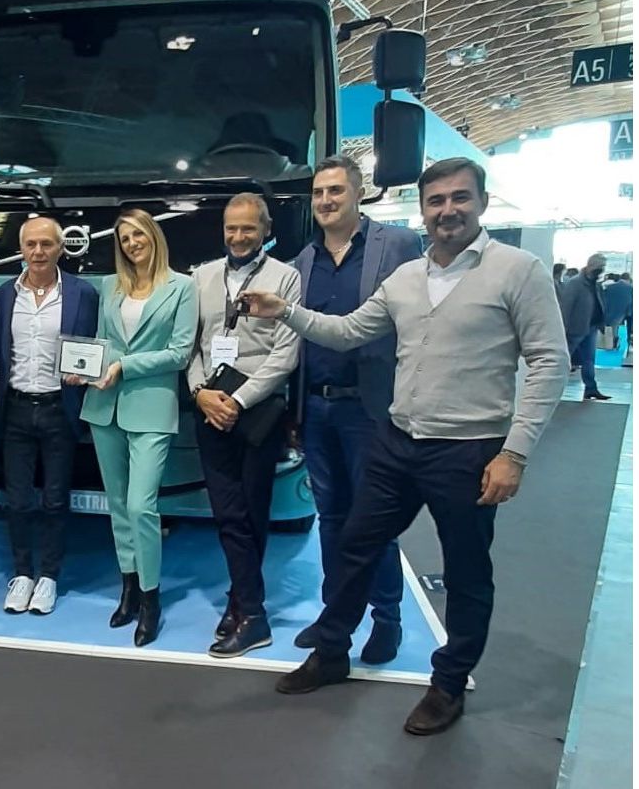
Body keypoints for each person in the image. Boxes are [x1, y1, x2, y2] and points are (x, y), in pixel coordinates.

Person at [239, 158, 568, 736]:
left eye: (459, 198)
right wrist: (285, 310)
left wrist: (514, 453)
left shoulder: (518, 270)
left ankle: (448, 683)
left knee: (466, 570)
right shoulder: (405, 278)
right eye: (436, 200)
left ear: (482, 203)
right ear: (422, 210)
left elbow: (549, 361)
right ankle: (332, 651)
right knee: (354, 545)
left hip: (468, 449)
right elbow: (348, 331)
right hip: (396, 441)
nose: (448, 210)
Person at [291, 156, 423, 664]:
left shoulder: (398, 245)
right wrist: (294, 412)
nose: (325, 201)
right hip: (316, 408)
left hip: (371, 411)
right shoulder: (302, 261)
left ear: (359, 192)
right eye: (318, 193)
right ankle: (335, 617)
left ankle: (387, 619)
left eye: (336, 191)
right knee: (330, 519)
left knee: (375, 520)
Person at [185, 193, 301, 658]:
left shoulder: (286, 277)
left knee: (252, 512)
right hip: (210, 407)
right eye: (231, 228)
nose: (238, 236)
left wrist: (238, 399)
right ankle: (244, 602)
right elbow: (191, 345)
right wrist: (200, 392)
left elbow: (286, 354)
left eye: (248, 228)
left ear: (265, 230)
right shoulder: (201, 276)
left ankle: (250, 612)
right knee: (227, 512)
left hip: (257, 411)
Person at [78, 209, 199, 647]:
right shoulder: (111, 285)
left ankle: (150, 598)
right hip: (104, 406)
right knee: (117, 504)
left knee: (140, 505)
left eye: (138, 234)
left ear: (153, 236)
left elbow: (180, 353)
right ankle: (128, 587)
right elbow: (102, 341)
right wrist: (85, 367)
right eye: (124, 238)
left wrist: (124, 366)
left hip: (151, 407)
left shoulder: (182, 287)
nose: (131, 243)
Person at [0, 216, 100, 616]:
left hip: (60, 409)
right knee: (17, 500)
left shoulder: (83, 294)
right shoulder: (4, 295)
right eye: (31, 244)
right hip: (15, 409)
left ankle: (49, 576)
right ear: (21, 249)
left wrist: (86, 374)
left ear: (60, 248)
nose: (38, 252)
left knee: (56, 499)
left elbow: (94, 344)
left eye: (46, 244)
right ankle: (22, 573)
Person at [559, 253, 612, 401]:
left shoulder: (595, 284)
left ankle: (591, 389)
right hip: (575, 329)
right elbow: (566, 308)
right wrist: (563, 328)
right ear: (591, 266)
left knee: (589, 360)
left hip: (591, 327)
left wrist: (601, 322)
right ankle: (552, 388)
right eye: (600, 267)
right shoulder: (575, 283)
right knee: (563, 360)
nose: (601, 271)